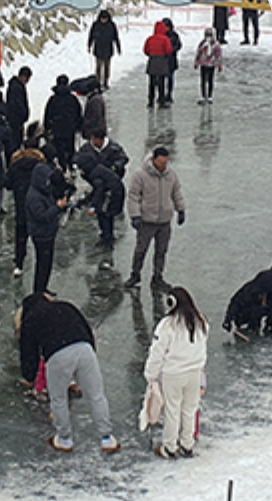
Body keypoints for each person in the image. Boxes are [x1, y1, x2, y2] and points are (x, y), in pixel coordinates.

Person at [19, 293, 120, 454]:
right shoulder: (65, 306)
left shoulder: (30, 319)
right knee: (96, 395)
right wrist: (90, 352)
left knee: (59, 399)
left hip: (57, 355)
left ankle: (64, 440)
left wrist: (29, 376)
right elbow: (86, 329)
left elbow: (28, 353)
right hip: (84, 348)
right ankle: (107, 438)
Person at [144, 287, 208, 459]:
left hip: (173, 374)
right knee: (189, 410)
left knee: (172, 411)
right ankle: (187, 445)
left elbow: (157, 352)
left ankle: (170, 447)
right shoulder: (200, 321)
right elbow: (202, 348)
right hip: (194, 373)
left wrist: (150, 374)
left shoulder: (167, 325)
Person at [124, 147, 186, 290]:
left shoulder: (171, 175)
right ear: (153, 160)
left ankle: (158, 277)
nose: (163, 166)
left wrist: (181, 209)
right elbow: (133, 196)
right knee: (141, 250)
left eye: (165, 163)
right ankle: (135, 274)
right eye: (160, 163)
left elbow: (176, 193)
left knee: (161, 251)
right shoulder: (140, 175)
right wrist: (135, 216)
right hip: (147, 221)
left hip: (164, 221)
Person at [26, 163, 68, 295]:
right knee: (42, 265)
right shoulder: (34, 197)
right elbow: (42, 216)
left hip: (48, 233)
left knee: (46, 264)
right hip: (41, 235)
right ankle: (39, 292)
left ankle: (42, 288)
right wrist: (58, 207)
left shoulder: (43, 191)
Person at [7, 133, 45, 278]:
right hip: (38, 206)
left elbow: (8, 184)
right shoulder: (41, 166)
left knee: (21, 237)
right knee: (40, 240)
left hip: (21, 205)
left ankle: (19, 264)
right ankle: (41, 267)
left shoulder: (15, 165)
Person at [75, 151, 126, 249]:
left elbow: (98, 191)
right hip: (116, 192)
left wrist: (93, 207)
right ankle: (108, 235)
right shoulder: (98, 170)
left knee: (104, 214)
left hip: (111, 195)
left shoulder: (95, 175)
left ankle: (107, 239)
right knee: (107, 215)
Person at [43, 75, 82, 172]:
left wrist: (47, 128)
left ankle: (62, 169)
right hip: (70, 129)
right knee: (70, 148)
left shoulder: (53, 99)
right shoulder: (73, 99)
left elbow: (47, 115)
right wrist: (78, 126)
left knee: (59, 150)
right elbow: (78, 113)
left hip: (57, 130)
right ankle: (71, 167)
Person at [223, 268, 272, 335]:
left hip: (260, 307)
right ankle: (253, 329)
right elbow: (236, 301)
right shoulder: (251, 291)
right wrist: (228, 319)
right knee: (255, 309)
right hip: (245, 314)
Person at [88, 10, 121, 90]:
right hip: (98, 49)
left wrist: (118, 48)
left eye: (105, 19)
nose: (103, 20)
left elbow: (116, 37)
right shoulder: (96, 25)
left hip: (108, 49)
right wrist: (89, 45)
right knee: (98, 67)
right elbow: (91, 36)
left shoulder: (111, 25)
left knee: (107, 67)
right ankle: (98, 83)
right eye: (102, 19)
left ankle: (106, 82)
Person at [143, 21, 174, 109]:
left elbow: (146, 50)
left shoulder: (150, 39)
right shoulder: (165, 39)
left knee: (151, 83)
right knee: (161, 82)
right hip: (162, 62)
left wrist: (152, 54)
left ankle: (150, 101)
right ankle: (161, 101)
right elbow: (169, 50)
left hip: (152, 61)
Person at [194, 28, 223, 105]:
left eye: (210, 35)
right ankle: (203, 96)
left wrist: (219, 64)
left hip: (211, 64)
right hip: (203, 64)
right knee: (203, 80)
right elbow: (198, 53)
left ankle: (210, 96)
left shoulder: (215, 44)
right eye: (207, 35)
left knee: (210, 80)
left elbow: (218, 55)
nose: (208, 37)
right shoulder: (202, 43)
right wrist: (197, 62)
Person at [5, 66, 32, 150]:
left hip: (17, 119)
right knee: (15, 141)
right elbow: (16, 104)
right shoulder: (16, 87)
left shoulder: (18, 85)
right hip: (15, 119)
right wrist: (23, 114)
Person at [162, 18, 182, 104]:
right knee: (161, 79)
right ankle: (162, 94)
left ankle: (169, 94)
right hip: (163, 59)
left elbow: (179, 45)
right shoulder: (161, 35)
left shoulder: (174, 35)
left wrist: (172, 50)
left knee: (170, 78)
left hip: (171, 60)